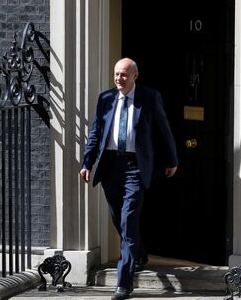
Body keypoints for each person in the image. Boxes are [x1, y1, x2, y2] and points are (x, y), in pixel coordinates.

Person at [79, 58, 178, 300]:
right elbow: (96, 133)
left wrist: (171, 159)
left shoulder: (149, 97)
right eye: (116, 74)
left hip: (135, 165)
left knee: (128, 220)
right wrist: (87, 163)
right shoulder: (105, 98)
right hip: (110, 165)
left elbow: (163, 130)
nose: (119, 79)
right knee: (117, 216)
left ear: (135, 75)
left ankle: (124, 283)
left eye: (124, 74)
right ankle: (140, 253)